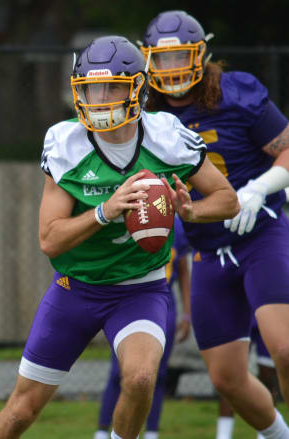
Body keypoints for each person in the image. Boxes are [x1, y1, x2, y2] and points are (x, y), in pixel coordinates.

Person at [0, 35, 238, 439]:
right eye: (91, 89)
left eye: (112, 87)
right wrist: (105, 211)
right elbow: (50, 240)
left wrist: (189, 210)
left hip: (140, 289)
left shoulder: (167, 137)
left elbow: (228, 200)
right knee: (23, 407)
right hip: (75, 289)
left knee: (139, 380)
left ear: (137, 88)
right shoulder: (66, 142)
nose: (100, 99)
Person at [141, 9, 289, 439]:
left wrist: (259, 188)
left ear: (201, 55)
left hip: (260, 233)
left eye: (179, 57)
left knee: (283, 347)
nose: (170, 70)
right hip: (207, 249)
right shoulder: (145, 116)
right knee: (226, 378)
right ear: (147, 61)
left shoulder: (236, 93)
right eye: (161, 60)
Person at [94, 216, 192, 439]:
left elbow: (184, 270)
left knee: (156, 374)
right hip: (132, 300)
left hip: (163, 301)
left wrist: (187, 313)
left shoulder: (176, 224)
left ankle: (152, 432)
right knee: (120, 372)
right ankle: (101, 430)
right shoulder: (128, 215)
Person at [216, 321, 281, 439]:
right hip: (240, 310)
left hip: (267, 309)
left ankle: (264, 436)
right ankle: (223, 435)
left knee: (268, 376)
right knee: (229, 377)